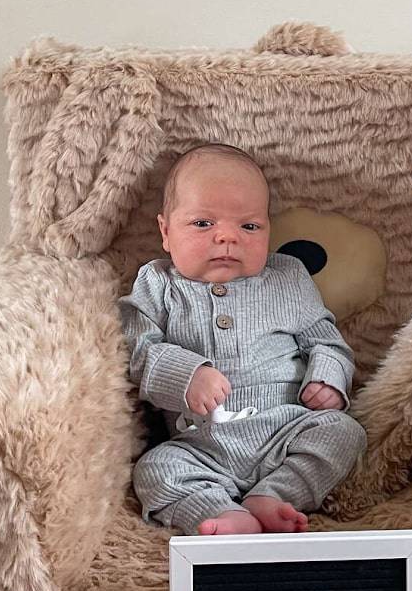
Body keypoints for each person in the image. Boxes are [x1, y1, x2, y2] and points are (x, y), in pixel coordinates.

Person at [120, 143, 366, 534]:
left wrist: (327, 380)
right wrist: (186, 375)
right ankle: (222, 514)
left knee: (343, 433)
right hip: (200, 443)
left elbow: (326, 340)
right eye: (203, 224)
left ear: (269, 228)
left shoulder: (287, 277)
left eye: (249, 227)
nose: (227, 238)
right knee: (154, 469)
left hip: (285, 430)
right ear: (166, 232)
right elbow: (137, 351)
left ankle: (274, 496)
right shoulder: (158, 283)